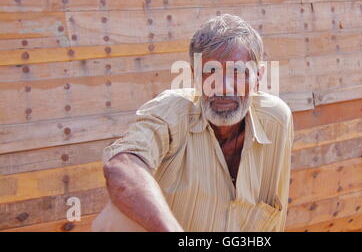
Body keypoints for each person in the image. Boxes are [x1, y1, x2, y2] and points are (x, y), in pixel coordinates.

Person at [91, 14, 294, 232]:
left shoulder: (276, 120)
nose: (223, 87)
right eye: (210, 71)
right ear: (195, 75)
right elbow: (123, 166)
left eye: (237, 72)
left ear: (259, 77)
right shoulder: (171, 113)